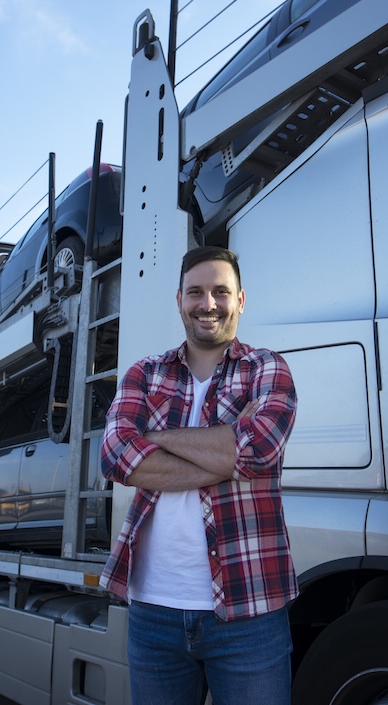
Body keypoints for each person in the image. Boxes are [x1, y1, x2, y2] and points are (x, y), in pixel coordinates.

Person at [100, 246, 298, 705]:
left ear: (241, 300)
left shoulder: (267, 368)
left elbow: (258, 451)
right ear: (179, 299)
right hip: (153, 613)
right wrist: (224, 446)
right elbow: (114, 456)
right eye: (196, 292)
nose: (207, 303)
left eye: (220, 292)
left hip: (250, 611)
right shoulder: (145, 373)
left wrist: (154, 436)